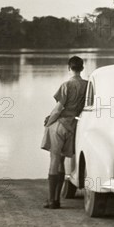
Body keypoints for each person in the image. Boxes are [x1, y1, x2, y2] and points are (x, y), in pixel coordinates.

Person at [41, 55, 87, 209]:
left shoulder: (66, 85)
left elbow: (58, 109)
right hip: (73, 126)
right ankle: (57, 199)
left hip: (61, 124)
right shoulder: (88, 85)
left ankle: (52, 200)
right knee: (61, 160)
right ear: (82, 68)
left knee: (54, 159)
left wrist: (49, 121)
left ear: (69, 68)